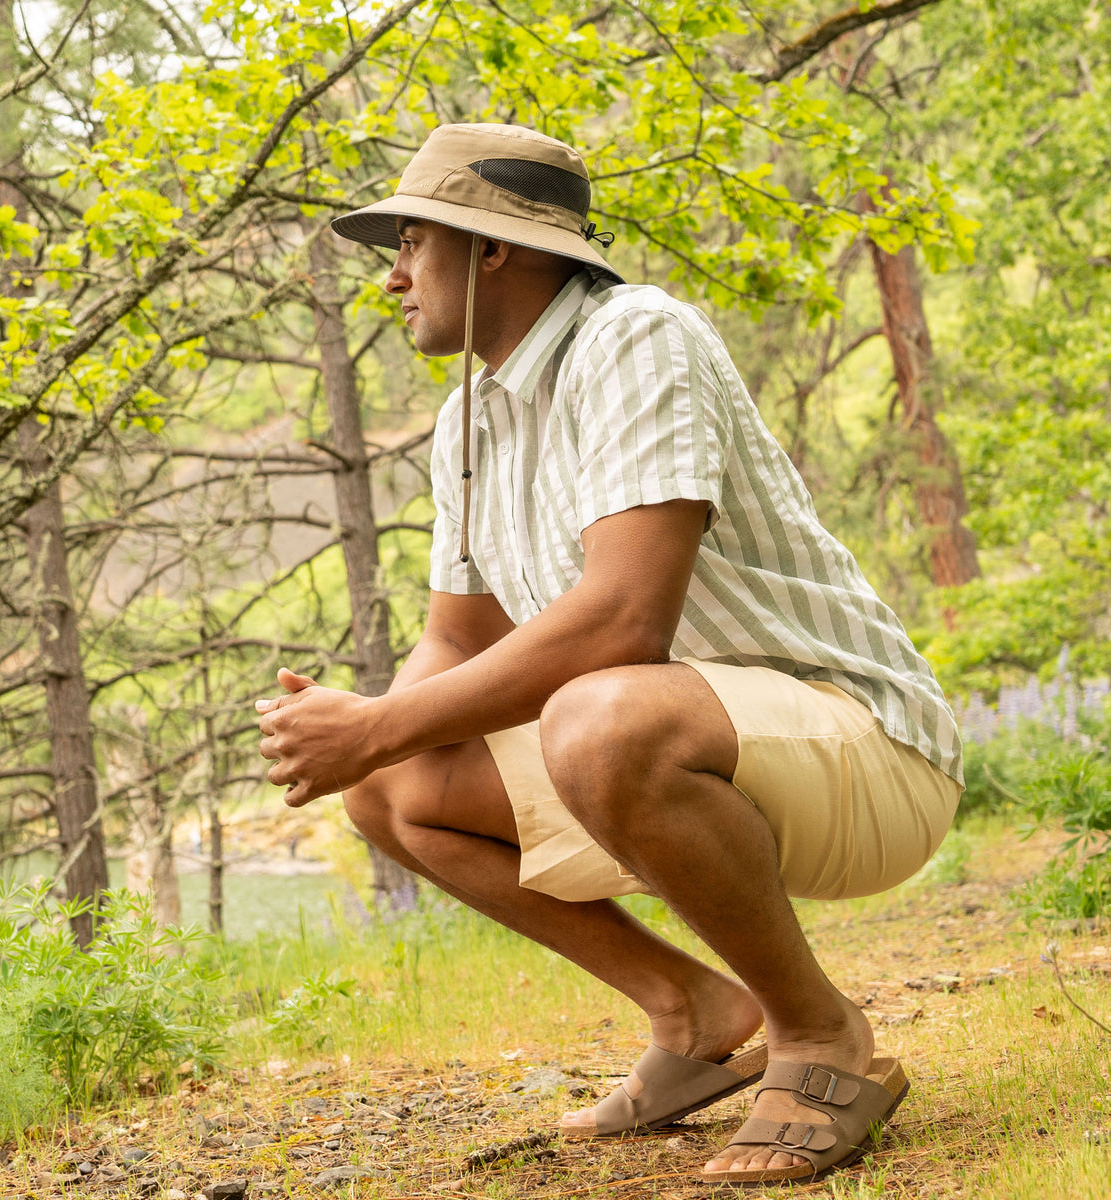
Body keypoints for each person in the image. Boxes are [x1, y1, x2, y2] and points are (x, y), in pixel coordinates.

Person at [257, 123, 963, 1186]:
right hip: (679, 747)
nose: (392, 278)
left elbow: (624, 617)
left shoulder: (635, 336)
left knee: (599, 710)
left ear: (492, 247)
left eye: (409, 242)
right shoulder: (469, 419)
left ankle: (819, 1036)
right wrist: (369, 747)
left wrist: (372, 726)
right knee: (396, 788)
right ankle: (692, 1013)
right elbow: (458, 634)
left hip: (864, 750)